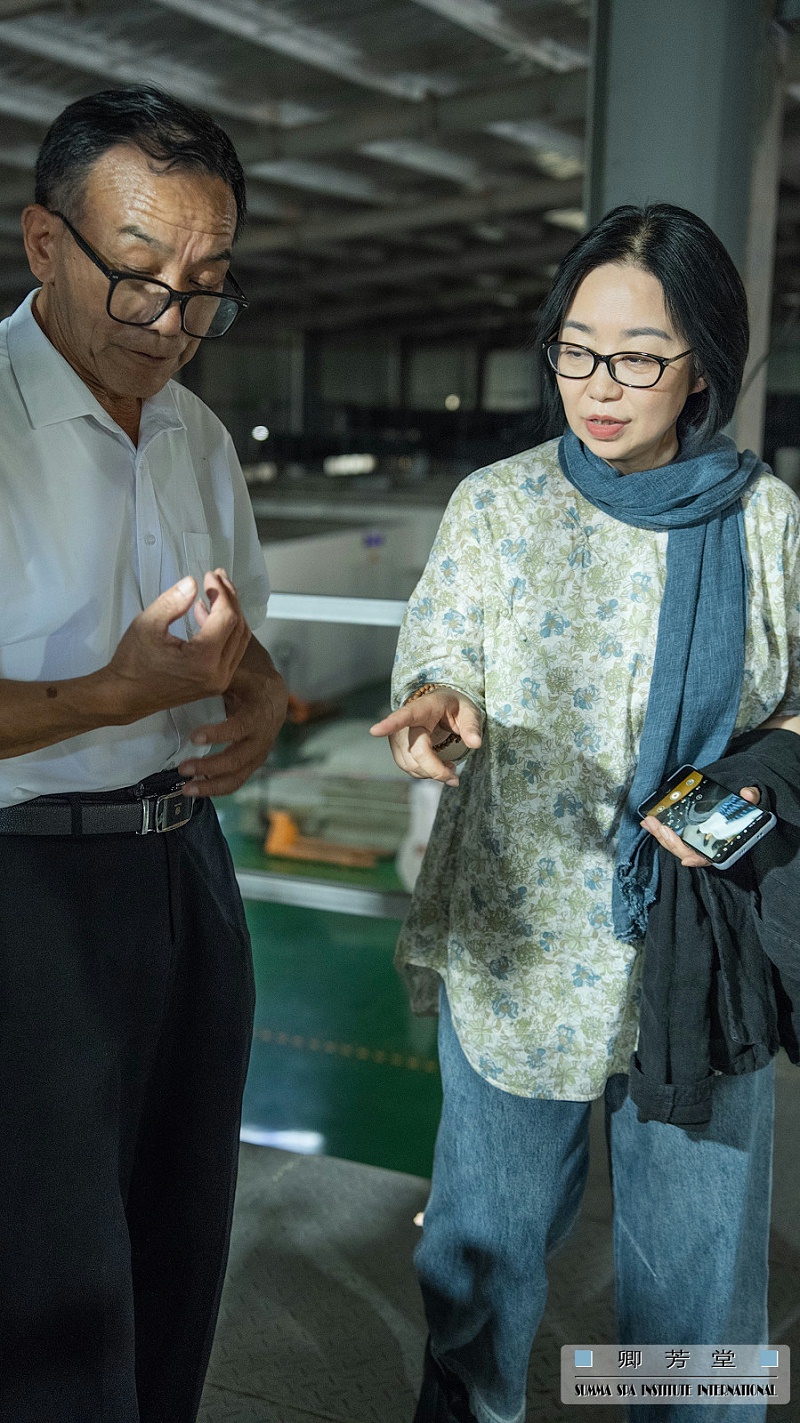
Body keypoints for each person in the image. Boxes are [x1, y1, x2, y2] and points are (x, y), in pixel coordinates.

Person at [370, 203, 800, 1423]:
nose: (597, 385)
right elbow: (439, 650)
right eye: (574, 346)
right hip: (522, 945)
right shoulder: (499, 506)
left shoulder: (759, 519)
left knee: (693, 1284)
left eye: (636, 354)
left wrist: (747, 779)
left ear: (703, 362)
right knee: (482, 1251)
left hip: (695, 952)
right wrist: (438, 704)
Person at [0, 86, 287, 1423]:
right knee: (50, 1286)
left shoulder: (198, 434)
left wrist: (263, 694)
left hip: (190, 874)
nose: (169, 324)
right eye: (135, 278)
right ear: (43, 243)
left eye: (204, 287)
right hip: (26, 890)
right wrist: (112, 690)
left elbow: (240, 643)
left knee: (181, 1234)